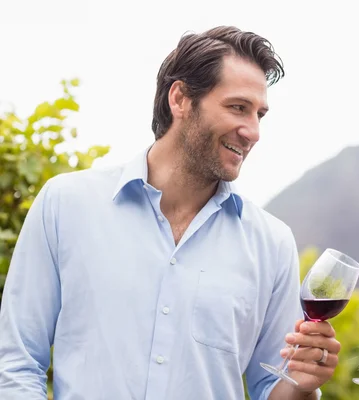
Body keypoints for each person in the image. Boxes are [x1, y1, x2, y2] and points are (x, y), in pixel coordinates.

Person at [0, 26, 340, 399]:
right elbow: (16, 363)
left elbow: (270, 389)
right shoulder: (66, 204)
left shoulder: (272, 244)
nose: (253, 131)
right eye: (238, 107)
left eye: (260, 113)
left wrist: (304, 386)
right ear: (180, 99)